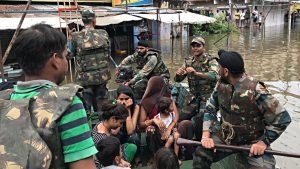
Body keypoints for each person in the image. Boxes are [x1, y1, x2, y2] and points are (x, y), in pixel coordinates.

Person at [0, 24, 97, 169]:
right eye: (66, 56)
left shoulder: (4, 100)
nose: (66, 60)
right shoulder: (68, 103)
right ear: (55, 60)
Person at [193, 50, 292, 169]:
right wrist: (205, 135)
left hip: (252, 142)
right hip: (225, 137)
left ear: (225, 71)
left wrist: (263, 142)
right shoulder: (220, 84)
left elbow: (283, 118)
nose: (218, 70)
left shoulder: (256, 90)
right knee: (201, 154)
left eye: (219, 67)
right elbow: (210, 108)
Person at [174, 37, 218, 140]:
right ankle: (181, 136)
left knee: (201, 118)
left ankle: (201, 138)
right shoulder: (188, 61)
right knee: (180, 117)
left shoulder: (211, 60)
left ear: (204, 47)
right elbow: (177, 80)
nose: (195, 48)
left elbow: (215, 76)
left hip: (207, 97)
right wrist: (178, 74)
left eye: (198, 46)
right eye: (193, 46)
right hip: (193, 96)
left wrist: (196, 73)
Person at [68, 9, 111, 115]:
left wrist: (69, 39)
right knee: (102, 108)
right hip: (102, 78)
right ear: (94, 21)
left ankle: (87, 128)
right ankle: (102, 129)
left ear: (82, 21)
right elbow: (108, 54)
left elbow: (69, 55)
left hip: (85, 80)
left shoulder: (75, 36)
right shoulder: (103, 33)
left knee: (85, 110)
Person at [139, 76, 179, 156]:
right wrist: (153, 121)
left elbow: (176, 116)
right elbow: (141, 124)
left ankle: (177, 155)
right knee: (151, 129)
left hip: (170, 127)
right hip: (156, 132)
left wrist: (170, 128)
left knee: (184, 126)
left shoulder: (168, 98)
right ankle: (155, 155)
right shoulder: (146, 102)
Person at [92, 101, 135, 167]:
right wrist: (120, 164)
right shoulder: (102, 139)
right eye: (120, 123)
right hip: (105, 164)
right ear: (113, 119)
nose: (120, 126)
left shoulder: (101, 123)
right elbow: (103, 162)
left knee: (131, 146)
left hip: (114, 157)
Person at [154, 97, 181, 164]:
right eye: (171, 106)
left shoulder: (172, 114)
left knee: (177, 135)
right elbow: (161, 131)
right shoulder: (158, 118)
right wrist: (165, 134)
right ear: (166, 110)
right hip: (164, 135)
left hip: (171, 132)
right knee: (170, 139)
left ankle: (176, 158)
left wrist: (173, 129)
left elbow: (176, 118)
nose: (173, 107)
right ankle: (162, 158)